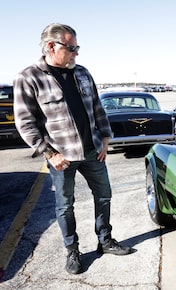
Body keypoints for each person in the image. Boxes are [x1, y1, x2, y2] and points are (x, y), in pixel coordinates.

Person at [13, 23, 131, 275]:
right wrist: (49, 153)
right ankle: (73, 250)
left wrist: (106, 138)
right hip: (61, 156)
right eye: (72, 48)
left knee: (104, 195)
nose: (76, 53)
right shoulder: (29, 77)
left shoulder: (82, 73)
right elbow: (25, 123)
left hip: (92, 151)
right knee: (65, 205)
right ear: (51, 46)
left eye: (77, 47)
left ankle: (105, 240)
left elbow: (97, 108)